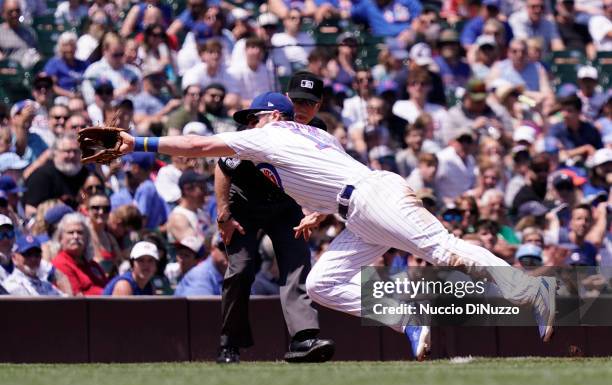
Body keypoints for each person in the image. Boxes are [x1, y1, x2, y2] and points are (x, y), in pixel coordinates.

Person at [112, 91, 560, 357]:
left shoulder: (269, 134)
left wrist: (138, 142)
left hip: (371, 199)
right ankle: (409, 320)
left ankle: (530, 289)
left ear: (269, 116)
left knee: (443, 249)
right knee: (324, 284)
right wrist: (322, 210)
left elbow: (199, 143)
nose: (247, 125)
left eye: (252, 117)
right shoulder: (312, 134)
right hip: (359, 209)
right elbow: (330, 176)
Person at [213, 74, 334, 364]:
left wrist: (316, 209)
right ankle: (229, 342)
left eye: (310, 103)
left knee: (297, 263)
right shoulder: (255, 129)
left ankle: (304, 338)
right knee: (241, 268)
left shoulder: (317, 131)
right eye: (297, 102)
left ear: (319, 106)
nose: (303, 109)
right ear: (285, 104)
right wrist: (223, 215)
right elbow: (222, 168)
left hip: (285, 205)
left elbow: (328, 174)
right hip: (243, 204)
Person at [51, 212, 108, 295]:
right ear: (60, 238)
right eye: (70, 232)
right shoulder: (60, 264)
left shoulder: (93, 265)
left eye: (80, 232)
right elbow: (76, 296)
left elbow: (107, 287)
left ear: (87, 238)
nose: (76, 236)